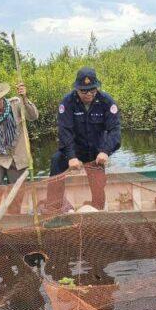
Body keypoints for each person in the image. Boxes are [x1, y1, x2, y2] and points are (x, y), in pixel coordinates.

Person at [47, 67, 122, 211]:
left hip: (97, 153)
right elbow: (64, 131)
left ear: (97, 87)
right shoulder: (67, 102)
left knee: (99, 192)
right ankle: (53, 206)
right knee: (56, 160)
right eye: (84, 91)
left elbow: (115, 130)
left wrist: (106, 151)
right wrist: (71, 156)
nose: (88, 94)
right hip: (74, 151)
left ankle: (97, 207)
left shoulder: (107, 102)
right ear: (77, 89)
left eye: (92, 90)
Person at [0, 79, 38, 213]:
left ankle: (13, 217)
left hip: (18, 156)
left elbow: (33, 116)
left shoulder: (17, 104)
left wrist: (25, 98)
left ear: (2, 97)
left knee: (16, 193)